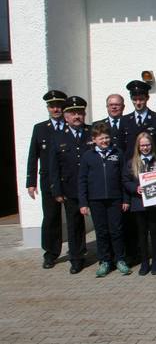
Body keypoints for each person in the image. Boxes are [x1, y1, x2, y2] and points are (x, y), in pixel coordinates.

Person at [80, 122, 131, 277]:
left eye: (107, 138)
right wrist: (83, 202)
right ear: (94, 139)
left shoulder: (118, 153)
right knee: (101, 232)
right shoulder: (88, 156)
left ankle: (120, 259)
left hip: (115, 199)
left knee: (117, 230)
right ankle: (104, 261)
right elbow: (82, 180)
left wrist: (126, 199)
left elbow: (124, 178)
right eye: (101, 138)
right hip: (96, 200)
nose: (104, 141)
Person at [48, 96, 91, 274]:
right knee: (74, 225)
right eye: (72, 113)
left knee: (103, 223)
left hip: (93, 186)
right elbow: (54, 167)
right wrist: (57, 190)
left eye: (80, 112)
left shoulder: (92, 132)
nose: (77, 116)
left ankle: (108, 256)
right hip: (71, 188)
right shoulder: (57, 137)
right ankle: (76, 258)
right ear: (65, 117)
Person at [26, 90, 66, 269]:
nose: (56, 109)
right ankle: (50, 253)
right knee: (51, 217)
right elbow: (33, 156)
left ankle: (78, 252)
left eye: (59, 106)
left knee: (74, 217)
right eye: (52, 106)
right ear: (48, 108)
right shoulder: (40, 128)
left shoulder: (70, 125)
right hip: (49, 180)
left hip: (68, 179)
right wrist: (31, 182)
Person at [123, 132, 156, 276]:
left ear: (152, 145)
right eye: (142, 145)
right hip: (139, 204)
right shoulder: (132, 163)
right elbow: (125, 181)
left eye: (148, 145)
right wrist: (135, 188)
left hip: (155, 205)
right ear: (138, 146)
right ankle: (144, 262)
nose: (145, 148)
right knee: (142, 235)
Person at [122, 80, 156, 154]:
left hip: (153, 163)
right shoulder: (124, 120)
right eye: (135, 99)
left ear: (147, 98)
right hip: (131, 163)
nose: (138, 103)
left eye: (141, 99)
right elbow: (122, 148)